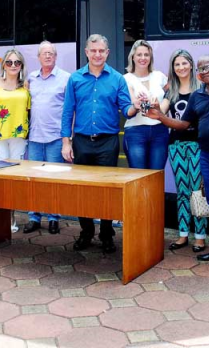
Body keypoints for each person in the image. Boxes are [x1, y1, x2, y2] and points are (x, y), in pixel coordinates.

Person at [147, 55, 209, 266]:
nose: (205, 71)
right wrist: (160, 117)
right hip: (206, 155)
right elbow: (184, 124)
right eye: (202, 68)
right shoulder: (197, 95)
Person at [61, 34, 138, 254]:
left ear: (107, 53)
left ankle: (106, 234)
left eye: (101, 51)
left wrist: (136, 107)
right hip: (82, 142)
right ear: (86, 52)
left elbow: (126, 109)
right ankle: (86, 232)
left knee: (107, 191)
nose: (97, 54)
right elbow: (67, 112)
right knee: (83, 191)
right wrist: (66, 143)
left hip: (107, 143)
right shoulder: (75, 78)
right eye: (93, 50)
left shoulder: (117, 79)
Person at [156, 49, 207, 252]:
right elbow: (162, 109)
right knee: (182, 190)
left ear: (191, 65)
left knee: (197, 191)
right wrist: (154, 107)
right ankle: (183, 234)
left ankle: (200, 237)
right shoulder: (171, 90)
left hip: (198, 145)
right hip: (176, 145)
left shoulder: (201, 88)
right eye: (177, 64)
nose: (181, 67)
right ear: (173, 68)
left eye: (184, 63)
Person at [0, 48, 30, 233]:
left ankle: (11, 217)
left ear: (21, 65)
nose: (13, 65)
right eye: (9, 62)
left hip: (18, 138)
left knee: (13, 180)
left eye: (17, 62)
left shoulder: (25, 85)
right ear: (3, 65)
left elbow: (28, 110)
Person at [23, 41, 70, 235]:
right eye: (44, 53)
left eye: (51, 53)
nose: (48, 56)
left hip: (55, 138)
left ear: (56, 57)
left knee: (53, 180)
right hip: (34, 137)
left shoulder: (65, 78)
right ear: (38, 57)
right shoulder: (31, 79)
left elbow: (70, 110)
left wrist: (68, 138)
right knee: (34, 180)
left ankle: (53, 218)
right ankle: (34, 217)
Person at [122, 40, 169, 170]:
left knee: (157, 174)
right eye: (139, 54)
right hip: (135, 132)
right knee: (139, 176)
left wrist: (161, 106)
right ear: (132, 57)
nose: (143, 58)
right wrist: (138, 102)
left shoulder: (159, 76)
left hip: (160, 131)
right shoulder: (125, 78)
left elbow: (171, 94)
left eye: (146, 55)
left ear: (150, 57)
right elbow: (131, 102)